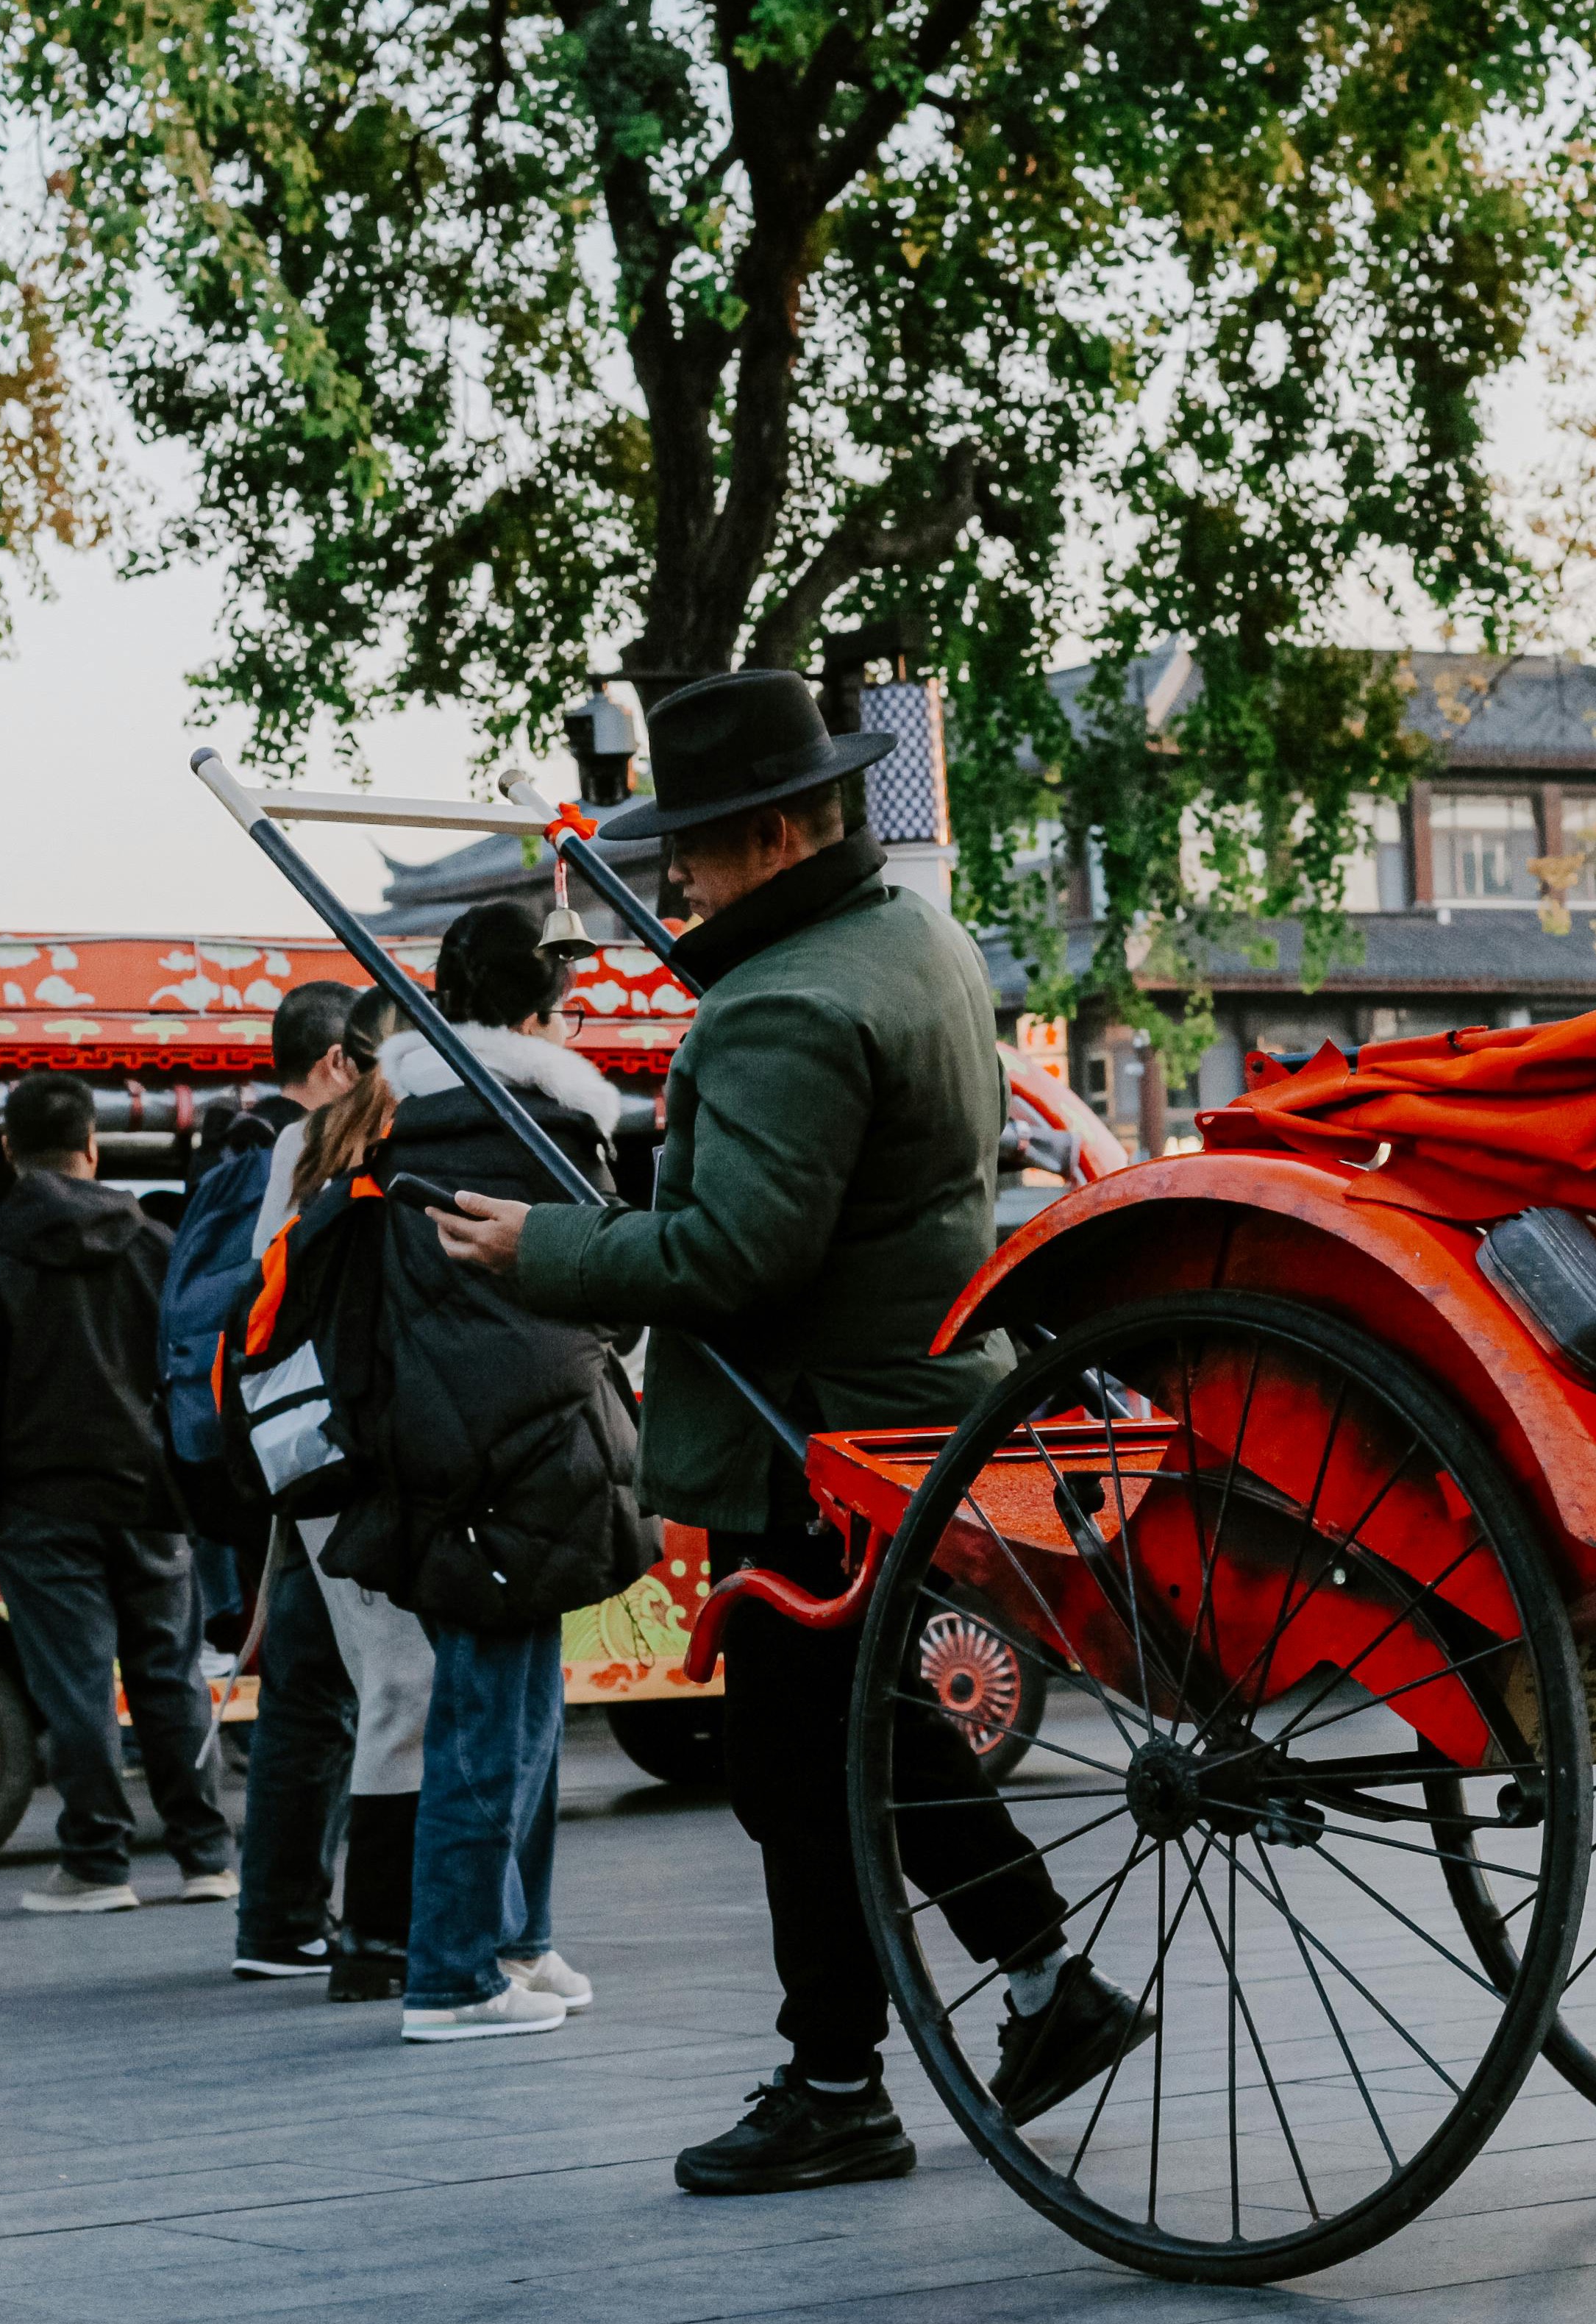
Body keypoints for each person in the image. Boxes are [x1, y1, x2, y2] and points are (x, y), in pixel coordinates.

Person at [432, 670, 1148, 2186]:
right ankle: (1042, 1983)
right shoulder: (912, 940)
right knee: (877, 1738)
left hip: (818, 1440)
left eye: (693, 845)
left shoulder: (789, 999)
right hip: (909, 1414)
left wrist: (542, 1247)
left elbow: (728, 1255)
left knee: (799, 1769)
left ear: (771, 834)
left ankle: (838, 2083)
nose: (678, 872)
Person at [316, 901, 649, 2044]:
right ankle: (454, 1972)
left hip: (442, 1442)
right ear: (538, 1007)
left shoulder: (398, 1122)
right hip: (535, 1441)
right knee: (491, 1714)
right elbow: (611, 1283)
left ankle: (518, 1936)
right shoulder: (555, 1124)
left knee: (518, 1702)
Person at [0, 1069, 238, 1913]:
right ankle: (206, 1855)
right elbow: (189, 1375)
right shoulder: (154, 1247)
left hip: (40, 1503)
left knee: (74, 1683)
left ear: (9, 1151)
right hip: (149, 1497)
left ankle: (99, 1864)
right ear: (92, 1147)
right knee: (169, 1675)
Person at [166, 978, 368, 1979]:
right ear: (336, 1063)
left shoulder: (225, 1159)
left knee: (307, 1682)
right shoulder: (294, 1161)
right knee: (322, 1690)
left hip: (257, 1461)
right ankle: (292, 1916)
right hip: (312, 1458)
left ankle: (282, 1916)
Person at [263, 987, 438, 2003]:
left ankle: (372, 1925)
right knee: (401, 1684)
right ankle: (376, 1930)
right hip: (375, 1442)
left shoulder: (304, 1148)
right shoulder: (384, 1141)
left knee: (387, 1682)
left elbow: (261, 1290)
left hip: (320, 1452)